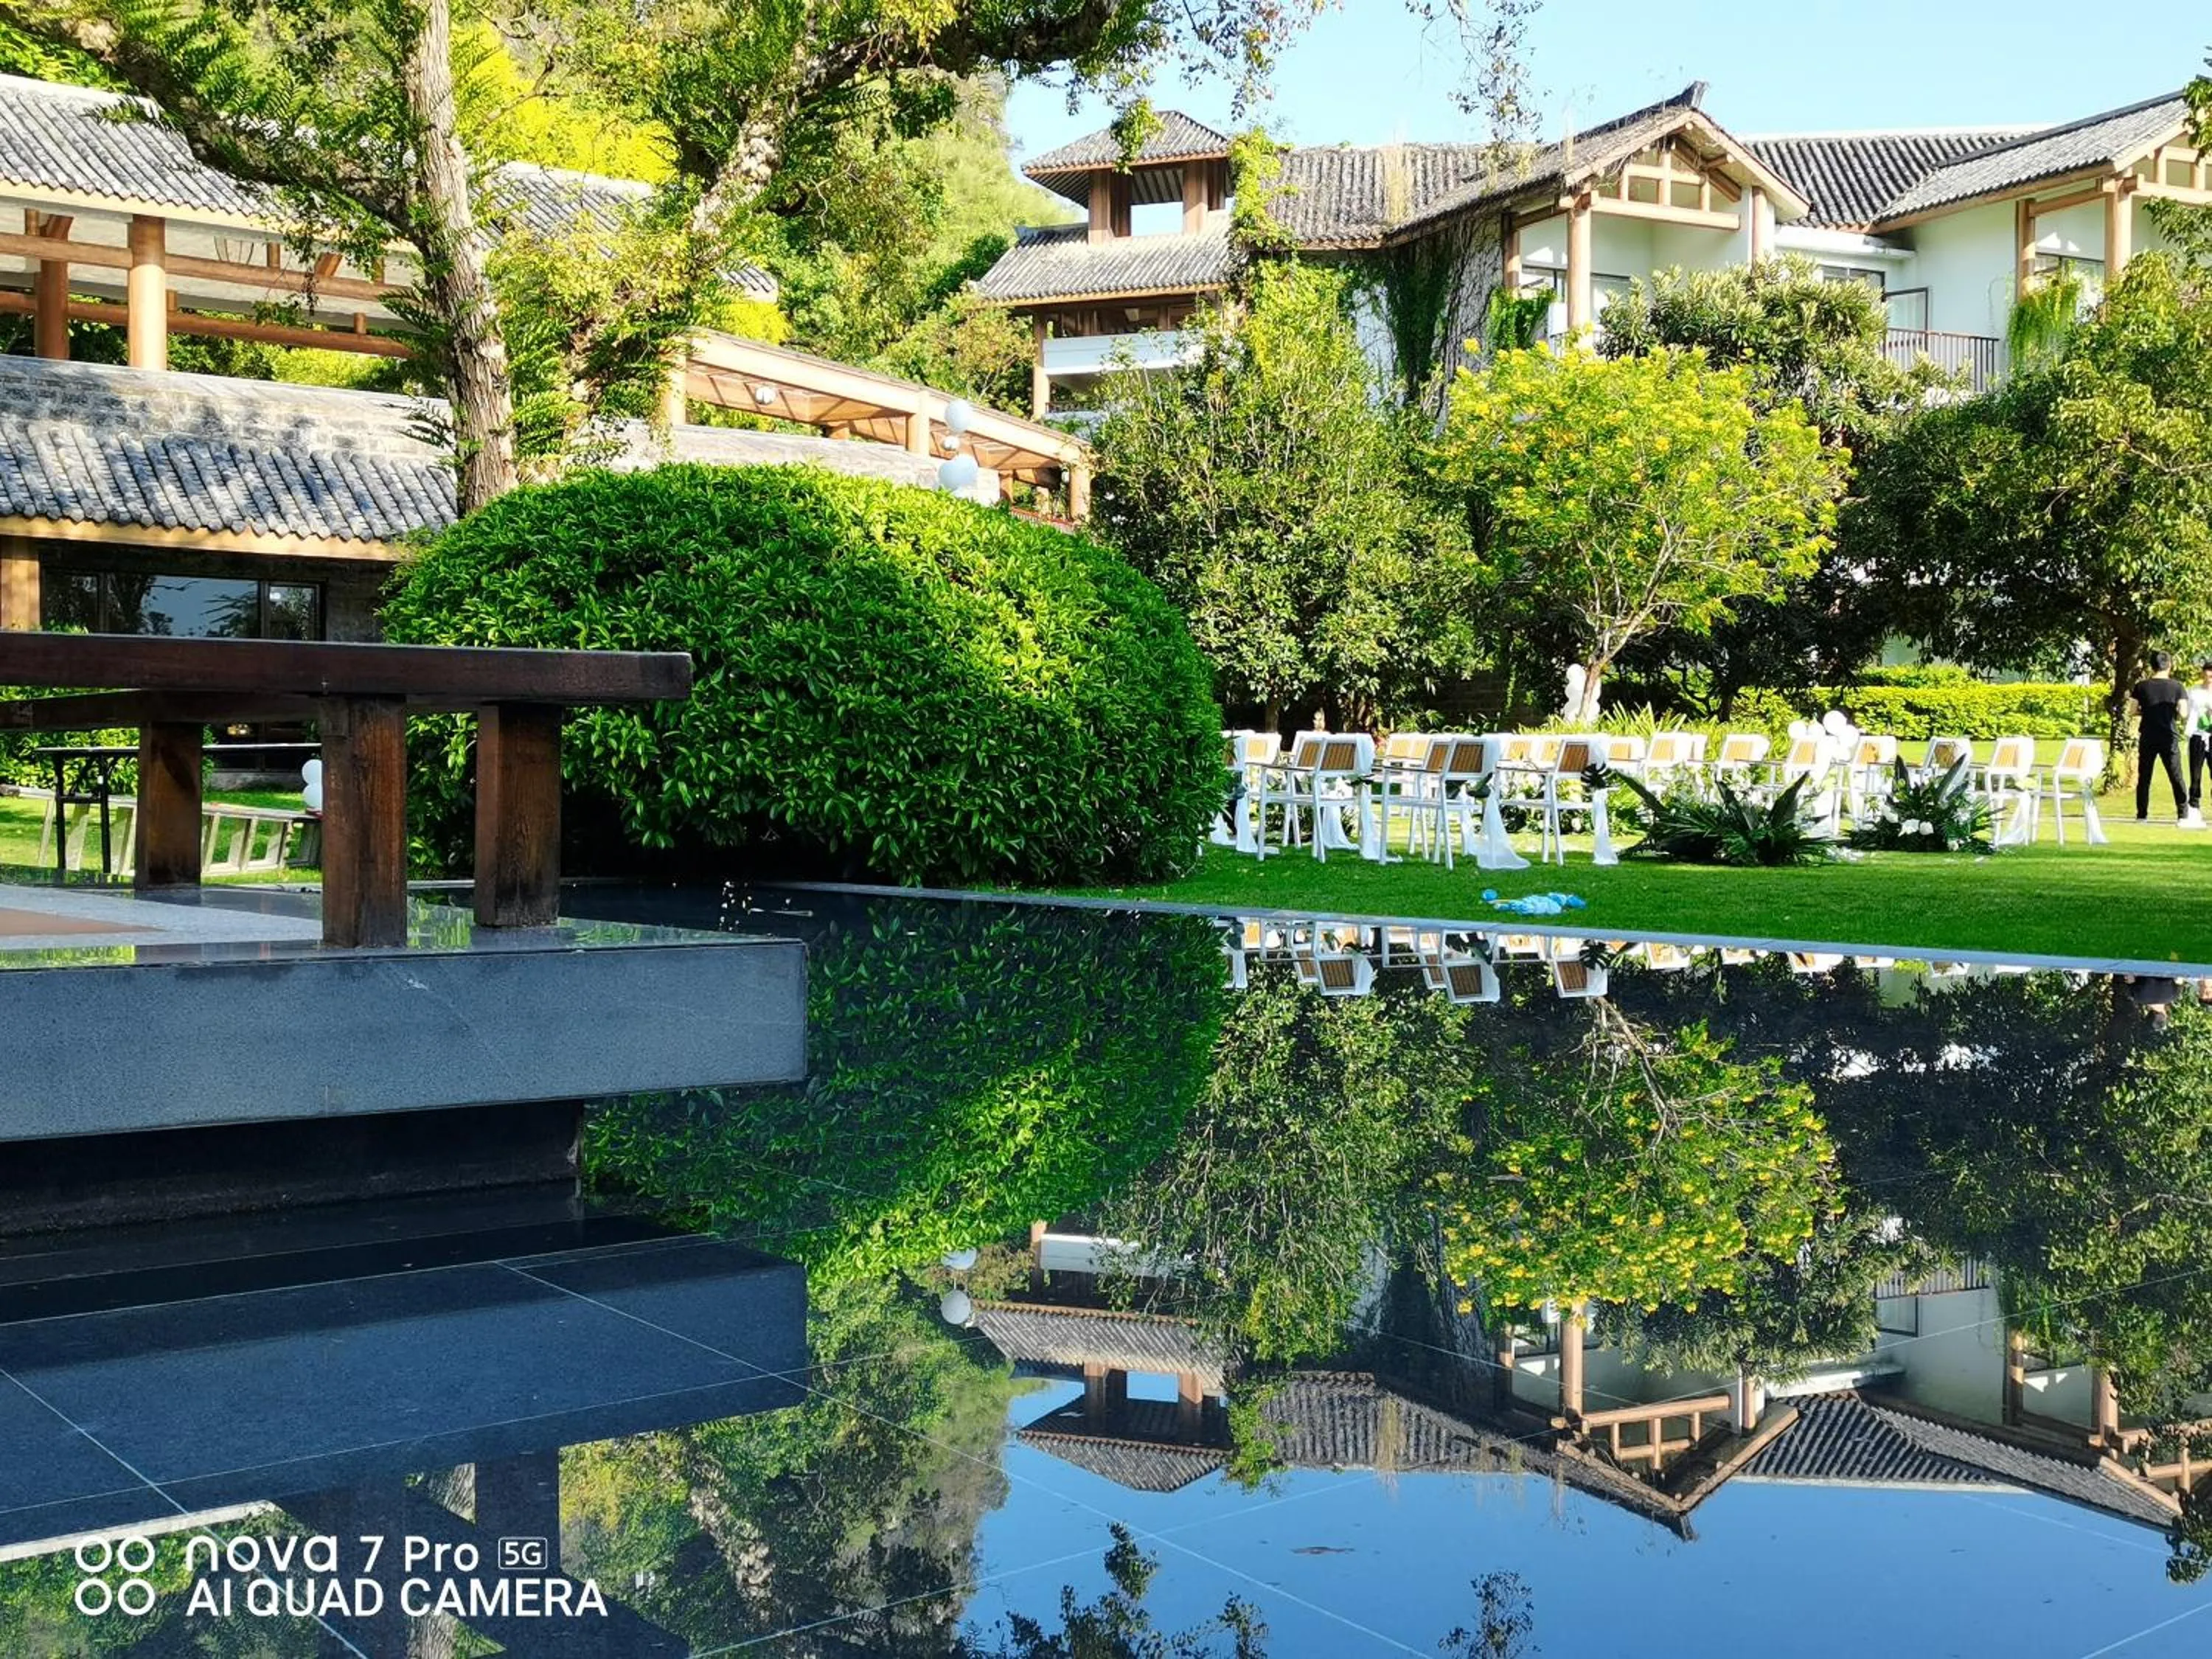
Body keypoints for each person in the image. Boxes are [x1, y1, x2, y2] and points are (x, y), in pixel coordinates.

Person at [2131, 651, 2188, 824]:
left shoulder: (2141, 686)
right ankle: (2183, 814)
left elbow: (2132, 710)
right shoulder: (2177, 687)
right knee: (2176, 775)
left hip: (2148, 735)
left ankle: (2142, 815)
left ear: (2151, 666)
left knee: (2145, 777)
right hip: (2169, 736)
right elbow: (2184, 713)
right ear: (2169, 664)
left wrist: (2145, 711)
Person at [2187, 662, 2212, 830]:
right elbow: (2187, 713)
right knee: (2195, 775)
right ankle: (2194, 808)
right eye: (2208, 673)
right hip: (2198, 735)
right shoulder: (2194, 692)